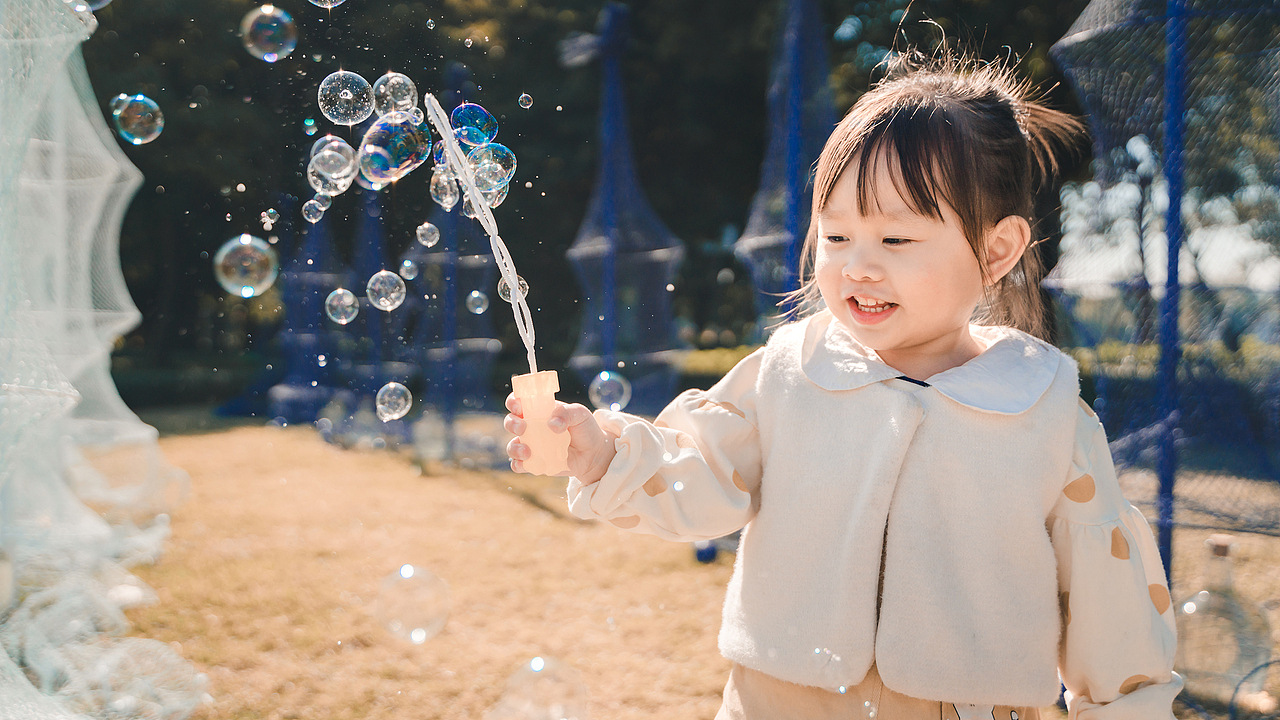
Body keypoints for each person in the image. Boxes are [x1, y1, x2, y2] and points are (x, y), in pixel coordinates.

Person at [505, 51, 1181, 720]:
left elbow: (1108, 593)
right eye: (836, 236)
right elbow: (701, 472)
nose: (857, 267)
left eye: (895, 239)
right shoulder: (791, 371)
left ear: (997, 251)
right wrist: (605, 456)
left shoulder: (1044, 410)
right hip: (777, 704)